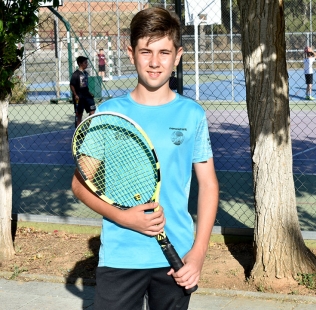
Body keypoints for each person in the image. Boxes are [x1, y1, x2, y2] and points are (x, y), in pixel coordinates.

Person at [71, 7, 219, 310]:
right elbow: (78, 184)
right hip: (121, 257)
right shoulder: (110, 114)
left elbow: (209, 185)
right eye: (146, 51)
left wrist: (198, 252)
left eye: (164, 52)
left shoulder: (192, 115)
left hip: (176, 257)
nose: (155, 62)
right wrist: (125, 218)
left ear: (177, 56)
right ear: (131, 53)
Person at [70, 56, 96, 127]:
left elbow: (85, 85)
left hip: (87, 95)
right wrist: (75, 94)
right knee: (79, 114)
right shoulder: (76, 74)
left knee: (93, 111)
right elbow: (72, 85)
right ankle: (78, 131)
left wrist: (89, 92)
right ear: (80, 63)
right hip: (79, 96)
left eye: (86, 63)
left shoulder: (85, 73)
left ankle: (88, 126)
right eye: (85, 63)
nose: (86, 64)